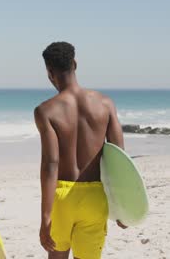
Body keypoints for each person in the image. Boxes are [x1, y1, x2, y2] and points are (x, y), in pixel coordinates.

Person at [34, 41, 127, 259]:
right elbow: (119, 159)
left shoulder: (45, 111)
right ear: (75, 64)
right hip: (95, 196)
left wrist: (45, 216)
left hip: (62, 197)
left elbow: (50, 164)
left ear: (49, 72)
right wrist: (122, 207)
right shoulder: (105, 104)